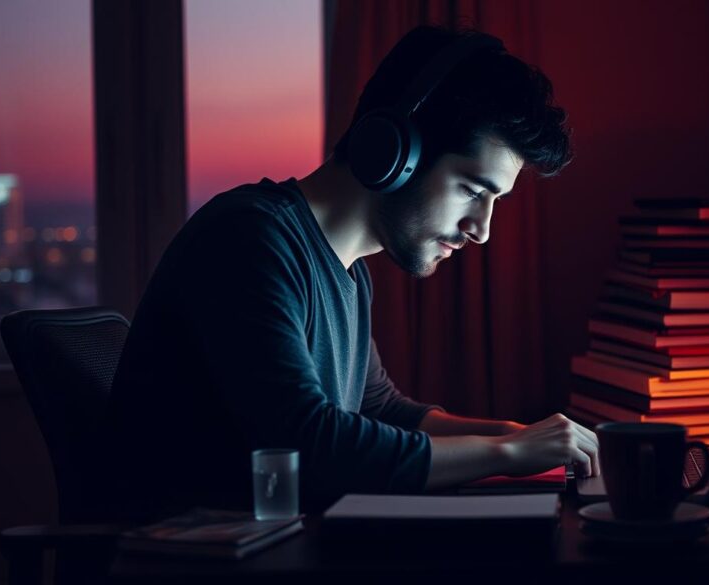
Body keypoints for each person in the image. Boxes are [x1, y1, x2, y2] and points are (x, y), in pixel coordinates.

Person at [104, 25, 598, 522]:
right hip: (189, 553)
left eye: (494, 201)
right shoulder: (248, 239)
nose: (482, 230)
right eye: (472, 190)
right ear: (398, 152)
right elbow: (309, 447)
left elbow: (380, 409)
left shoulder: (350, 273)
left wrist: (518, 435)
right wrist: (507, 454)